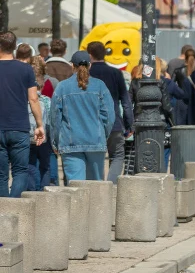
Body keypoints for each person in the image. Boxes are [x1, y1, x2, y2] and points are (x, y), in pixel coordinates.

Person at [47, 50, 116, 182]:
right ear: (90, 66)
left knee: (75, 186)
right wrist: (103, 134)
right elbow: (109, 116)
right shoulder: (100, 86)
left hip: (71, 142)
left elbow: (55, 119)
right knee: (96, 186)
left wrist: (55, 142)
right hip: (95, 140)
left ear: (72, 66)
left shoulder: (62, 87)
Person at [0, 31, 45, 196]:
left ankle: (4, 214)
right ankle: (14, 206)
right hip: (19, 127)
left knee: (1, 174)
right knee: (20, 171)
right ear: (13, 47)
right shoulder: (25, 69)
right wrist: (40, 125)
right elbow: (33, 99)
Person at [86, 41, 132, 180]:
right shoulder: (116, 73)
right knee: (118, 155)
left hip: (91, 123)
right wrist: (129, 124)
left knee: (95, 157)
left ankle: (98, 186)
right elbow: (125, 100)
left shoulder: (87, 73)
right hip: (114, 123)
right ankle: (111, 185)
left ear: (89, 55)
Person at [24, 54, 55, 188]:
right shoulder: (50, 82)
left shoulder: (25, 79)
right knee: (45, 164)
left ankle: (32, 190)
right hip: (45, 131)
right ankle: (44, 189)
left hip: (28, 131)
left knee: (30, 163)